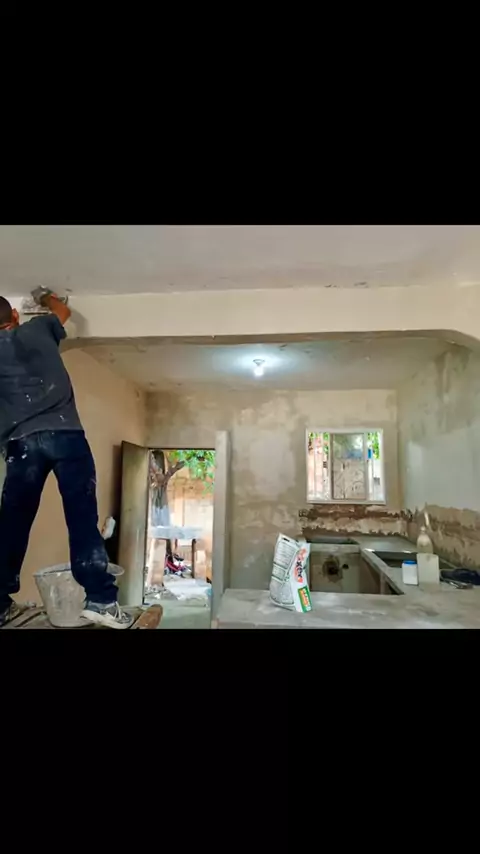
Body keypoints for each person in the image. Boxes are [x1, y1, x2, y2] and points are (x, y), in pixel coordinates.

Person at [0, 291, 133, 629]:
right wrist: (46, 297)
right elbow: (64, 311)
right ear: (14, 315)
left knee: (12, 525)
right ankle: (101, 600)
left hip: (21, 445)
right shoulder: (38, 328)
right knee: (81, 518)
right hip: (66, 436)